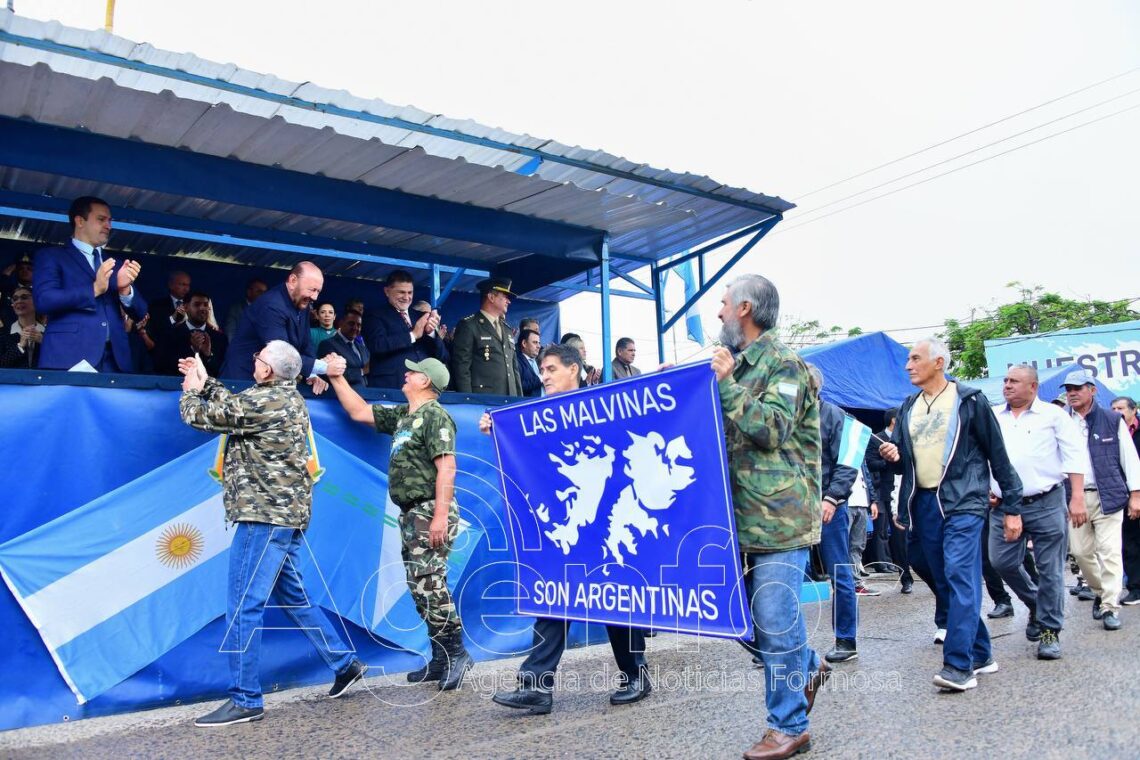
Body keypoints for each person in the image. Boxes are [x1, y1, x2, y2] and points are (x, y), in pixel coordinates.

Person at [178, 341, 367, 727]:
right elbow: (236, 407)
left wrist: (192, 392)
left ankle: (246, 698)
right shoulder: (284, 397)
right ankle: (344, 663)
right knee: (294, 596)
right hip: (285, 516)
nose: (255, 360)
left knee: (243, 605)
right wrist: (207, 382)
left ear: (267, 371)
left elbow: (201, 417)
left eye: (259, 358)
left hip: (263, 517)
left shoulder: (265, 401)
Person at [480, 343, 651, 715]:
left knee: (612, 600)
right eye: (542, 370)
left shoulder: (602, 406)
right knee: (555, 598)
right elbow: (527, 459)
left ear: (574, 369)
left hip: (605, 524)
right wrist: (499, 432)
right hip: (568, 525)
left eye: (551, 369)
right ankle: (536, 686)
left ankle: (635, 674)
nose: (544, 376)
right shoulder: (537, 417)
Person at [710, 274, 824, 760]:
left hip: (780, 519)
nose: (718, 312)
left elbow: (772, 427)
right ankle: (808, 665)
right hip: (737, 519)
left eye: (723, 303)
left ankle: (789, 727)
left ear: (745, 308)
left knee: (775, 622)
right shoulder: (734, 366)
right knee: (741, 621)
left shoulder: (785, 364)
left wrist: (726, 385)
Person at [880, 337, 1022, 692]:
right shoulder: (909, 405)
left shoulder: (969, 401)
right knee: (942, 578)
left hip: (964, 501)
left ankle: (959, 666)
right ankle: (982, 653)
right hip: (924, 504)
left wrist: (1012, 507)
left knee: (960, 575)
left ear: (939, 362)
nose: (908, 365)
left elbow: (998, 456)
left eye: (916, 358)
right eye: (908, 359)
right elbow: (907, 464)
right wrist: (895, 456)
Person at [324, 354, 472, 690]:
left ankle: (456, 652)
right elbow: (359, 412)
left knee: (430, 583)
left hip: (429, 509)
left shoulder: (435, 415)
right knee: (419, 586)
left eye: (413, 373)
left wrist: (439, 516)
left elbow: (447, 468)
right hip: (410, 514)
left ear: (425, 381)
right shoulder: (406, 416)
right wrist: (336, 377)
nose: (406, 375)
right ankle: (441, 657)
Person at [989, 364, 1090, 659]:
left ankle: (1049, 631)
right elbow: (980, 456)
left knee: (1050, 570)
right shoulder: (993, 416)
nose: (1007, 385)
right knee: (1001, 561)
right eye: (1005, 380)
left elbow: (1074, 455)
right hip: (1004, 505)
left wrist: (1077, 497)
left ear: (1033, 386)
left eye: (1014, 381)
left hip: (1047, 501)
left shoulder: (1053, 415)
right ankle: (1036, 603)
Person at [1063, 370, 1140, 631]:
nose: (1072, 393)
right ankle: (1100, 592)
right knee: (1081, 553)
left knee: (1110, 552)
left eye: (1077, 388)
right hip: (1074, 498)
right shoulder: (1061, 421)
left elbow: (1130, 458)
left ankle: (1109, 606)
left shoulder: (1111, 419)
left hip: (1109, 495)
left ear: (1092, 390)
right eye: (1069, 389)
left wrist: (1136, 494)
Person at [33, 196, 146, 372]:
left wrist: (125, 290)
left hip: (115, 361)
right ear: (79, 221)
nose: (108, 226)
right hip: (69, 357)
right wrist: (94, 289)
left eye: (109, 221)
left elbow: (140, 313)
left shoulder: (116, 264)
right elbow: (44, 300)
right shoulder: (52, 256)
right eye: (101, 219)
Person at [806, 364, 866, 668]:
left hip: (830, 507)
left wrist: (831, 497)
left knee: (840, 573)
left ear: (813, 387)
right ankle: (779, 645)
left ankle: (846, 640)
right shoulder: (785, 416)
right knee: (784, 574)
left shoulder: (834, 415)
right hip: (793, 510)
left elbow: (847, 462)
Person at [220, 262, 330, 394]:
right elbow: (282, 355)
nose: (315, 297)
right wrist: (325, 367)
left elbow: (306, 343)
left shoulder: (302, 303)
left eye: (318, 291)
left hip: (269, 382)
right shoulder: (271, 305)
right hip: (243, 380)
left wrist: (312, 374)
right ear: (293, 281)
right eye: (311, 290)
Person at [364, 270, 446, 389]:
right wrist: (412, 335)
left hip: (422, 389)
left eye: (410, 292)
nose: (406, 297)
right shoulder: (375, 315)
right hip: (390, 387)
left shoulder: (420, 317)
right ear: (387, 291)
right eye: (401, 292)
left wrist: (431, 333)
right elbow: (377, 345)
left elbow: (443, 357)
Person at [451, 277, 522, 395]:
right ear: (491, 297)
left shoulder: (507, 329)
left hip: (510, 398)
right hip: (484, 398)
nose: (508, 301)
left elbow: (514, 370)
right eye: (505, 296)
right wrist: (468, 399)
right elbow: (462, 368)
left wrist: (519, 397)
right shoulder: (469, 325)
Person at [155, 291, 229, 376]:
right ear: (185, 307)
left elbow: (221, 370)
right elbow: (161, 366)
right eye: (197, 305)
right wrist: (194, 350)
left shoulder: (220, 338)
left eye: (205, 305)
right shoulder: (171, 335)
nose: (202, 308)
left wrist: (208, 354)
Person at [1111, 396, 1140, 606]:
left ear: (1133, 410)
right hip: (1123, 493)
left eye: (1120, 408)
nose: (1116, 412)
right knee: (1129, 542)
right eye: (1112, 408)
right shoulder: (1110, 433)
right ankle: (1136, 588)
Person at [317, 311, 370, 389]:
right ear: (341, 323)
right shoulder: (327, 344)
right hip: (342, 393)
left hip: (367, 392)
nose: (355, 328)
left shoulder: (362, 348)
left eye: (358, 325)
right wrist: (362, 371)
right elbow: (329, 372)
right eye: (351, 323)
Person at [0, 286, 44, 368]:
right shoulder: (3, 333)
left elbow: (61, 358)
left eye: (24, 297)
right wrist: (19, 346)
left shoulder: (48, 333)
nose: (19, 301)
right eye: (15, 299)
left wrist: (44, 342)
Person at [148, 271, 192, 340]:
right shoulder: (157, 306)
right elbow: (156, 329)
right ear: (171, 285)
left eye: (188, 285)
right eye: (183, 285)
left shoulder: (192, 305)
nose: (186, 289)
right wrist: (173, 318)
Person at [515, 328, 543, 397]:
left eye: (539, 343)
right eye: (535, 342)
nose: (539, 346)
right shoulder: (517, 361)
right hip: (530, 402)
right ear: (524, 343)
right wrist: (540, 378)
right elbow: (519, 385)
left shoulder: (539, 360)